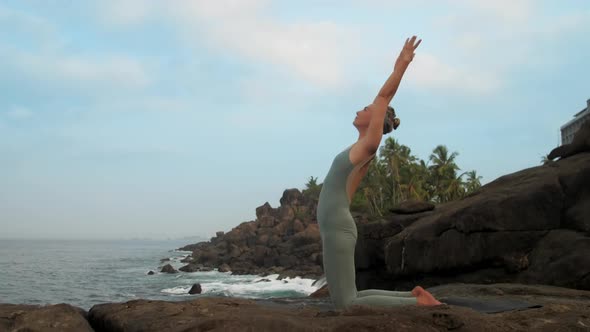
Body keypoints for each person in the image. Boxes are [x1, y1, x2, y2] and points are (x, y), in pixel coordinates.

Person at [316, 36, 442, 309]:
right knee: (350, 297)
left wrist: (401, 65)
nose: (359, 109)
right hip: (334, 227)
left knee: (346, 306)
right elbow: (343, 192)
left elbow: (384, 97)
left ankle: (420, 305)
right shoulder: (357, 150)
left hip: (337, 227)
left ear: (375, 119)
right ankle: (413, 297)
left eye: (366, 108)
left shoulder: (367, 146)